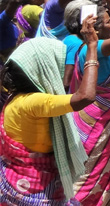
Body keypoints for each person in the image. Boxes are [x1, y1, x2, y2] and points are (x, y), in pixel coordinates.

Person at [0, 30, 98, 205]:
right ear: (44, 69)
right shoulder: (33, 102)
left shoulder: (14, 99)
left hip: (14, 181)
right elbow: (86, 97)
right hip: (36, 191)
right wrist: (92, 47)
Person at [62, 0, 110, 206]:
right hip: (102, 120)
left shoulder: (87, 45)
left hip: (108, 120)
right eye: (106, 22)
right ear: (93, 29)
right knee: (95, 169)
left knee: (102, 166)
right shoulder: (94, 49)